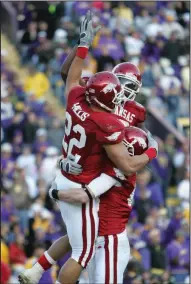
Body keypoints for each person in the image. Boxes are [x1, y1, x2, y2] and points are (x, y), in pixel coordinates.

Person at [19, 11, 158, 284]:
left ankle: (37, 267)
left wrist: (82, 46)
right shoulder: (102, 113)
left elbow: (69, 78)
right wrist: (150, 152)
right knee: (84, 243)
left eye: (130, 87)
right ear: (111, 85)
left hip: (89, 169)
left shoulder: (104, 103)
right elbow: (127, 162)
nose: (124, 92)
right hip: (98, 174)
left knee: (78, 236)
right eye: (121, 86)